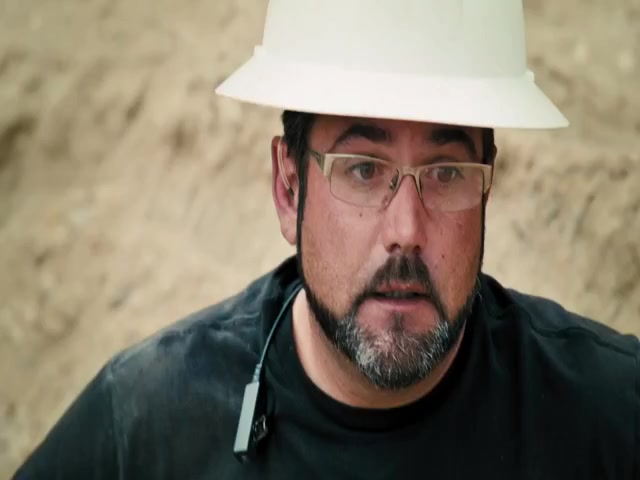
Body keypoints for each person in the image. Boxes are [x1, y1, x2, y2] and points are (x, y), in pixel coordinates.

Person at [14, 0, 639, 478]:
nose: (406, 232)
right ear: (289, 188)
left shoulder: (607, 417)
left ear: (487, 185)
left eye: (446, 173)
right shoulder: (148, 426)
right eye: (363, 170)